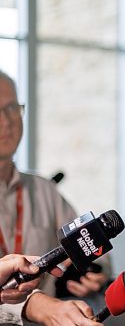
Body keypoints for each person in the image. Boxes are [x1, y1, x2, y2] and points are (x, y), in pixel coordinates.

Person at [0, 70, 107, 325]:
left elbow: (94, 245)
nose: (6, 122)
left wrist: (90, 271)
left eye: (13, 108)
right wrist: (37, 305)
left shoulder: (43, 190)